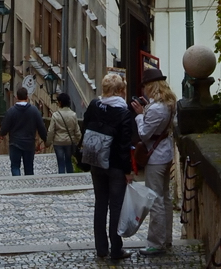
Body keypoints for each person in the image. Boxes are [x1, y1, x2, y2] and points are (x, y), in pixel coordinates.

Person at [81, 72, 135, 261]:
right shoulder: (124, 112)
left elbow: (85, 126)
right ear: (121, 91)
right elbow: (124, 145)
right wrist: (128, 171)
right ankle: (116, 249)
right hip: (116, 166)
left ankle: (101, 248)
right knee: (116, 207)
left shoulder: (95, 105)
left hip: (96, 161)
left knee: (100, 204)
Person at [131, 67, 177, 258]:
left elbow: (144, 133)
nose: (143, 90)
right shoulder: (170, 104)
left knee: (155, 199)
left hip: (155, 157)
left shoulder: (156, 108)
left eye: (145, 86)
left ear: (151, 87)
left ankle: (156, 243)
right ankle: (166, 238)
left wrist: (140, 115)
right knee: (165, 198)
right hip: (166, 153)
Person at [0, 85, 47, 176]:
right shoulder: (34, 110)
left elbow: (4, 128)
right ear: (27, 96)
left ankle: (17, 185)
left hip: (15, 143)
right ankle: (28, 186)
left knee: (15, 166)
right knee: (29, 167)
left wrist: (2, 133)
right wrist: (45, 139)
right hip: (29, 143)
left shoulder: (11, 111)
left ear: (17, 97)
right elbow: (41, 126)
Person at [45, 92, 81, 174]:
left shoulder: (55, 115)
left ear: (60, 102)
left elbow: (51, 131)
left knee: (60, 162)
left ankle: (61, 177)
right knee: (68, 160)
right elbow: (77, 130)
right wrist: (79, 141)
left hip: (58, 142)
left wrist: (48, 142)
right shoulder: (73, 115)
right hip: (69, 142)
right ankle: (70, 176)